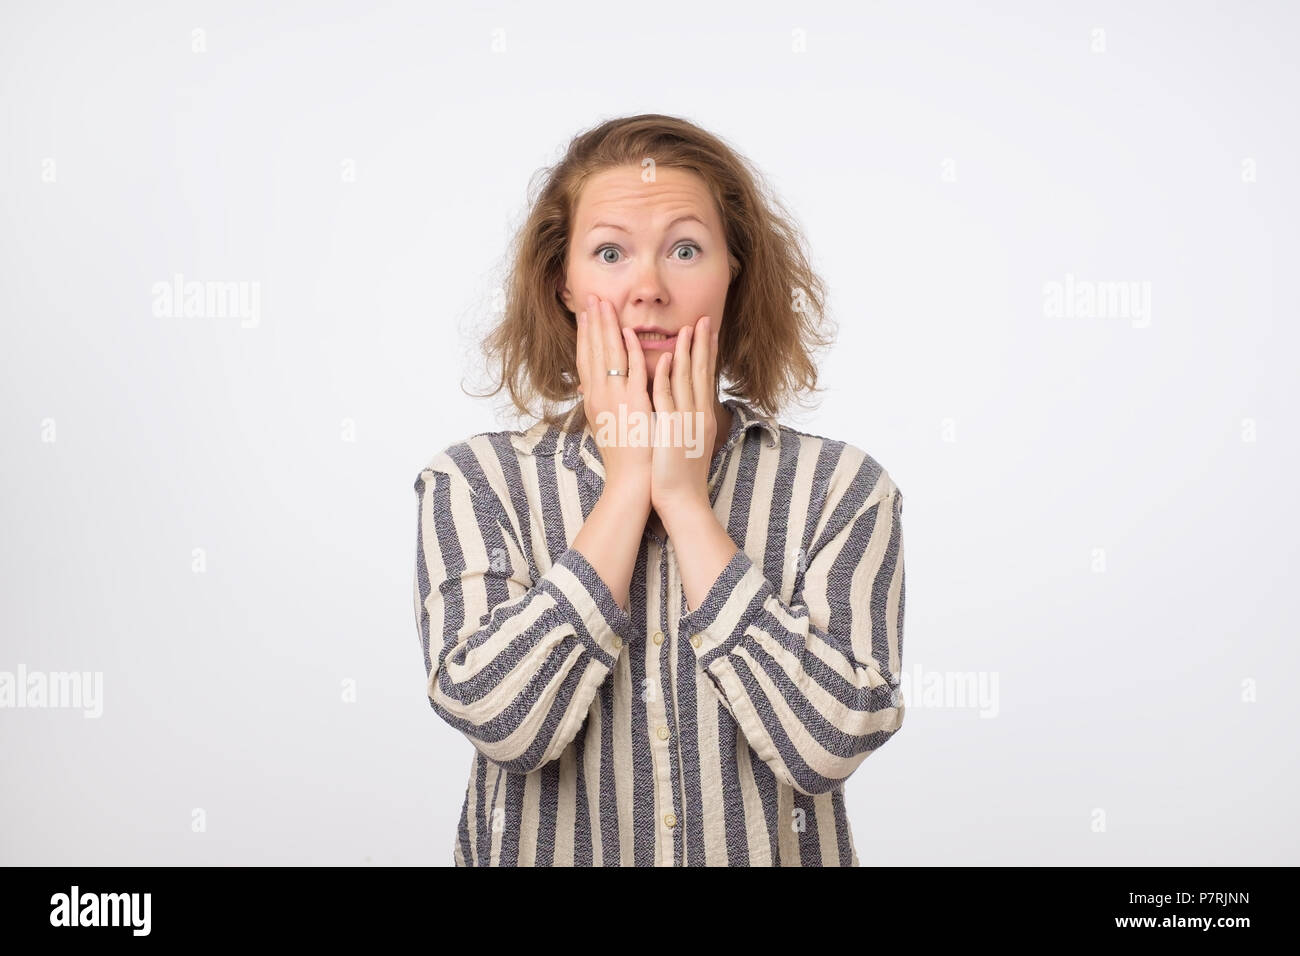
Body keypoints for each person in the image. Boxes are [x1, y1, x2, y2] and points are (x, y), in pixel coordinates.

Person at [412, 114, 906, 866]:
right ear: (565, 284)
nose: (648, 289)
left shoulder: (843, 489)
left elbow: (828, 744)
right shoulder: (474, 483)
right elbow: (505, 722)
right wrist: (627, 487)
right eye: (610, 253)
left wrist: (684, 502)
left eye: (684, 249)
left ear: (734, 271)